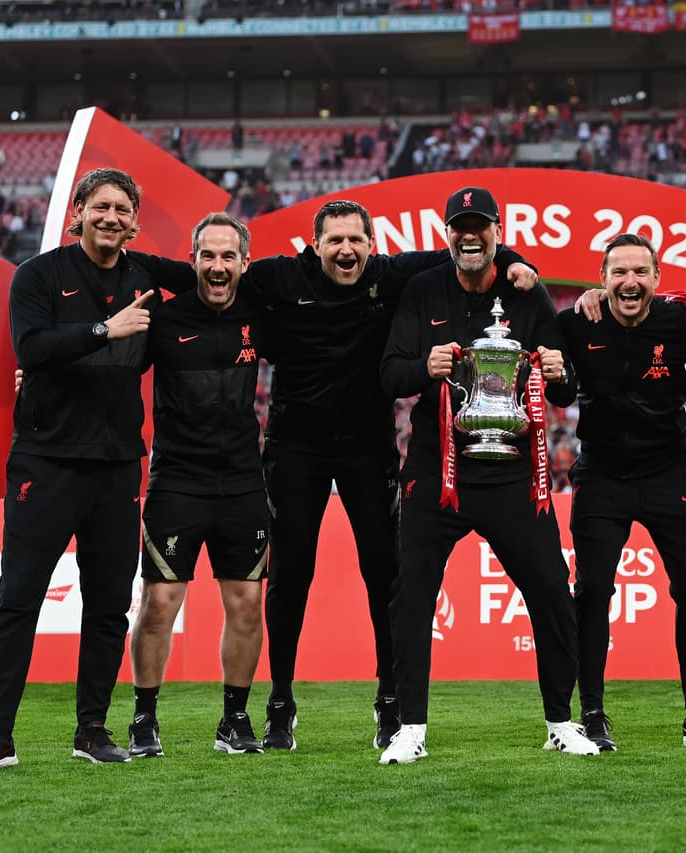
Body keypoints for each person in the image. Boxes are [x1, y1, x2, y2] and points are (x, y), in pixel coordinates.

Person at [131, 199, 539, 752]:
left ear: (371, 246)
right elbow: (199, 271)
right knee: (290, 578)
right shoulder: (278, 275)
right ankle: (280, 703)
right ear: (315, 245)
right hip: (294, 448)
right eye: (335, 241)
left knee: (384, 577)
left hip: (368, 449)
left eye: (356, 240)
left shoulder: (391, 276)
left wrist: (513, 259)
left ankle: (390, 701)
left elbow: (462, 253)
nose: (346, 250)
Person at [0, 168, 163, 773]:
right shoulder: (38, 275)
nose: (111, 217)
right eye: (101, 207)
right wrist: (105, 329)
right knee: (17, 600)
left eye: (123, 209)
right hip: (45, 462)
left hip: (119, 466)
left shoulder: (145, 277)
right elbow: (31, 348)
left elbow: (211, 280)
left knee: (106, 607)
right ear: (79, 210)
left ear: (134, 219)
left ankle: (92, 731)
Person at [378, 186, 598, 764]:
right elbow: (389, 374)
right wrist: (422, 367)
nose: (469, 236)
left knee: (551, 591)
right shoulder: (423, 288)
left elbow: (569, 387)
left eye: (480, 226)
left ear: (498, 232)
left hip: (513, 472)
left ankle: (560, 721)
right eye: (459, 227)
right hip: (437, 468)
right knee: (412, 596)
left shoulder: (527, 291)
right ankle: (410, 727)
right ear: (447, 233)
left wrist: (556, 369)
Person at [557, 233, 686, 751]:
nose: (629, 281)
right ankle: (592, 713)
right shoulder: (574, 324)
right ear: (602, 278)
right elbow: (560, 392)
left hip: (670, 473)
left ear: (655, 278)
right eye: (618, 272)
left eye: (640, 272)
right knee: (592, 594)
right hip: (601, 476)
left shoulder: (677, 321)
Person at [127, 213, 271, 759]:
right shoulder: (163, 319)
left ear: (243, 264)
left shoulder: (260, 314)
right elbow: (115, 369)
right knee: (160, 602)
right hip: (176, 482)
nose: (217, 265)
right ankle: (144, 718)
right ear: (192, 263)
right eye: (207, 255)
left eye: (227, 256)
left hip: (241, 482)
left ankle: (235, 720)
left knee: (247, 604)